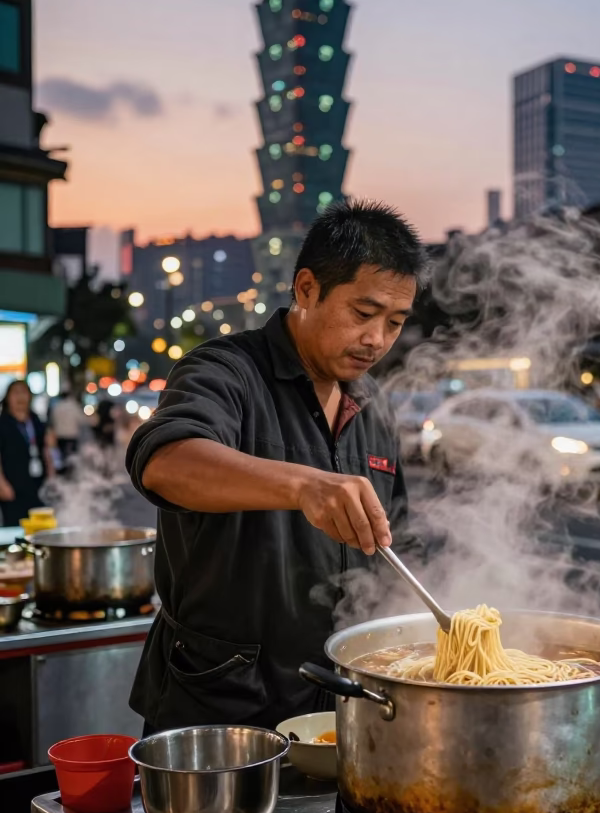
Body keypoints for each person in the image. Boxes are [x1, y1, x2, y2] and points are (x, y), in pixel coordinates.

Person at [126, 199, 427, 732]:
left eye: (395, 322)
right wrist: (304, 485)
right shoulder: (225, 370)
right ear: (307, 288)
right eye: (363, 314)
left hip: (341, 706)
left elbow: (393, 542)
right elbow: (165, 461)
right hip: (223, 708)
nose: (377, 339)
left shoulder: (373, 405)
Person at [0, 380, 56, 526]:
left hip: (38, 482)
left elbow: (45, 449)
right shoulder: (3, 423)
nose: (20, 397)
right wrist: (1, 483)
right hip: (12, 484)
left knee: (41, 525)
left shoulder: (36, 420)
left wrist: (51, 475)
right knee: (15, 526)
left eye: (24, 392)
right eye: (15, 393)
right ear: (8, 398)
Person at [51, 389, 87, 469]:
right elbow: (81, 420)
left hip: (60, 435)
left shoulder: (57, 406)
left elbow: (53, 421)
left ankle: (64, 472)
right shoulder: (74, 406)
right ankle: (71, 473)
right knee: (73, 458)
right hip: (72, 435)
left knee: (62, 457)